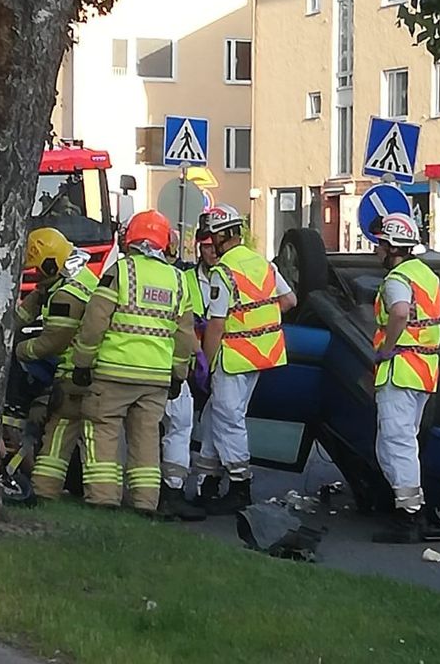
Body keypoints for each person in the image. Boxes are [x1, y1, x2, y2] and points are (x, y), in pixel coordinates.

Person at [72, 210, 193, 514]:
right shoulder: (178, 280)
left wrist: (82, 361)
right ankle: (144, 503)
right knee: (146, 438)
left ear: (131, 239)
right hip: (155, 378)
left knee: (102, 430)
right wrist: (179, 374)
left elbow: (95, 320)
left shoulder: (120, 271)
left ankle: (103, 498)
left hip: (113, 372)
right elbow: (184, 334)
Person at [368, 213, 440, 544]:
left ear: (392, 247)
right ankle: (410, 507)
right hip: (424, 369)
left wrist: (386, 349)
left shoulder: (397, 278)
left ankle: (409, 516)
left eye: (380, 244)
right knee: (399, 441)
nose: (376, 250)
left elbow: (398, 312)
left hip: (401, 368)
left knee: (396, 442)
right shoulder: (425, 274)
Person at [197, 203, 296, 515]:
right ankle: (209, 480)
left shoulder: (223, 273)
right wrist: (258, 319)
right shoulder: (263, 264)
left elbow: (215, 326)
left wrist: (205, 364)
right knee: (216, 416)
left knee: (228, 419)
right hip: (260, 355)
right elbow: (289, 300)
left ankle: (240, 485)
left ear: (224, 236)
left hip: (233, 358)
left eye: (212, 237)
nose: (210, 244)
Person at [13, 228, 99, 499]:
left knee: (59, 426)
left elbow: (53, 342)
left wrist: (17, 350)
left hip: (76, 370)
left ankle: (47, 488)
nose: (36, 275)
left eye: (38, 270)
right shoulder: (59, 281)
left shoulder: (66, 295)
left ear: (50, 264)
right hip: (82, 368)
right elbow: (23, 314)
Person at [157, 227, 206, 521]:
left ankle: (143, 495)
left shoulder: (122, 272)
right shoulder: (180, 280)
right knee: (178, 426)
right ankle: (171, 493)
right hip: (167, 370)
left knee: (140, 432)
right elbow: (188, 329)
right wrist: (194, 362)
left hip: (125, 367)